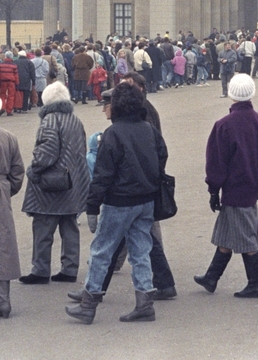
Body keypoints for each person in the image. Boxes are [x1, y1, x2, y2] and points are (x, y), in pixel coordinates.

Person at [66, 83, 168, 324]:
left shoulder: (113, 133)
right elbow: (162, 157)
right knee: (140, 251)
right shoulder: (149, 129)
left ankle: (88, 304)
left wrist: (92, 207)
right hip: (146, 200)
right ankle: (144, 303)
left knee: (101, 250)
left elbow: (102, 175)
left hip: (119, 201)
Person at [195, 74, 258, 299]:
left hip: (235, 187)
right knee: (227, 233)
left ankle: (255, 283)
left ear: (231, 93)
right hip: (255, 184)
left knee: (247, 237)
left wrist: (213, 190)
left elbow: (216, 162)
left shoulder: (223, 125)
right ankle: (212, 277)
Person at [19, 81, 90, 285]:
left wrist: (34, 170)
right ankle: (69, 269)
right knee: (69, 226)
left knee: (43, 226)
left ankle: (40, 270)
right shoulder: (75, 120)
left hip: (51, 185)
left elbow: (46, 152)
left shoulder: (50, 120)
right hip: (72, 182)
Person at [0, 101, 24, 317]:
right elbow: (18, 171)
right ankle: (4, 300)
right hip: (1, 188)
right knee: (3, 242)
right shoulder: (8, 137)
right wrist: (7, 191)